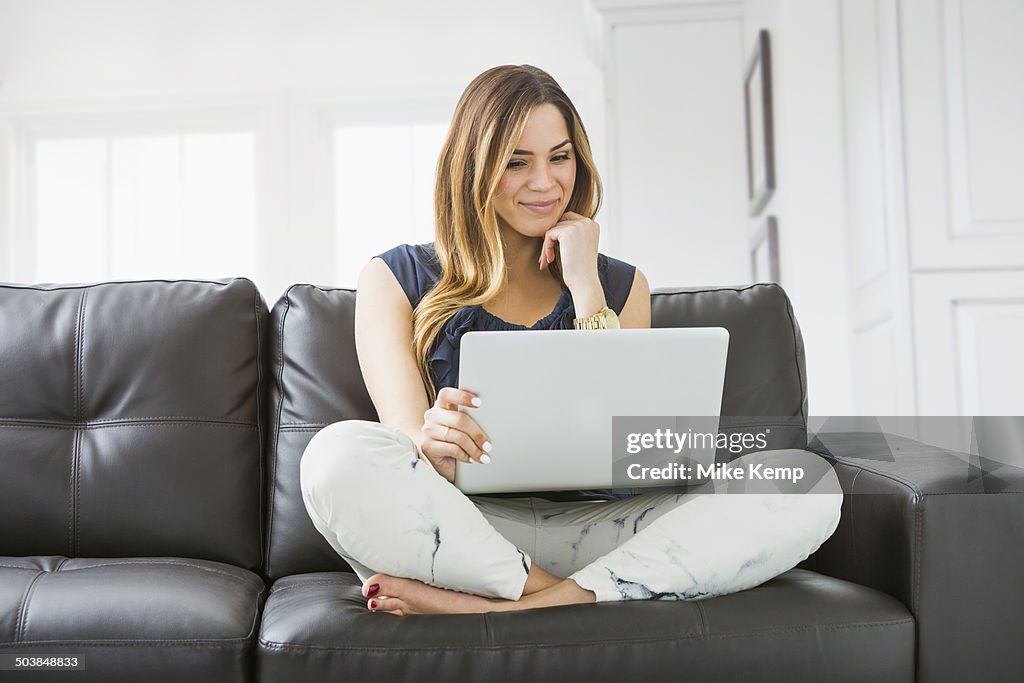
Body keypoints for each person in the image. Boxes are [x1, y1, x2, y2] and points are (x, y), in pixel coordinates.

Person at [299, 64, 842, 616]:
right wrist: (431, 445)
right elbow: (405, 436)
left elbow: (629, 449)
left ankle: (498, 609)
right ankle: (567, 594)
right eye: (516, 162)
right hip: (467, 531)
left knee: (806, 482)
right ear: (473, 167)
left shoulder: (622, 286)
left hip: (608, 528)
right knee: (335, 456)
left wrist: (586, 288)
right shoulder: (393, 278)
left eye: (559, 157)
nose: (545, 183)